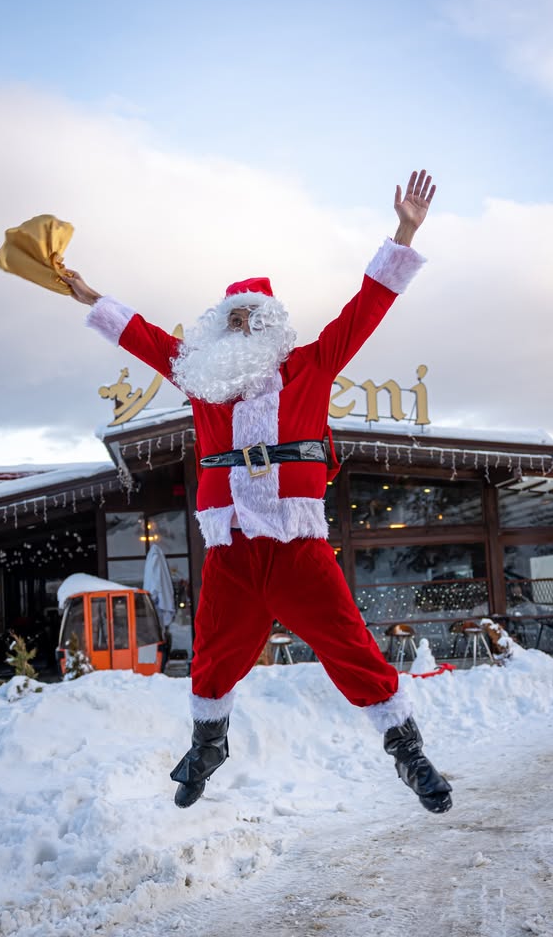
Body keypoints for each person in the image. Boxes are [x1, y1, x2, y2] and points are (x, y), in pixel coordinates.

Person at [61, 169, 452, 814]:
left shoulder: (312, 367)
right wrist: (89, 295)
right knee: (213, 656)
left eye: (253, 319)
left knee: (350, 648)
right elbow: (149, 340)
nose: (241, 327)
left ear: (274, 326)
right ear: (219, 330)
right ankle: (208, 745)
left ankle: (408, 753)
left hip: (297, 548)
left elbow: (366, 306)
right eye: (232, 319)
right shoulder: (203, 381)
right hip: (233, 552)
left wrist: (405, 232)